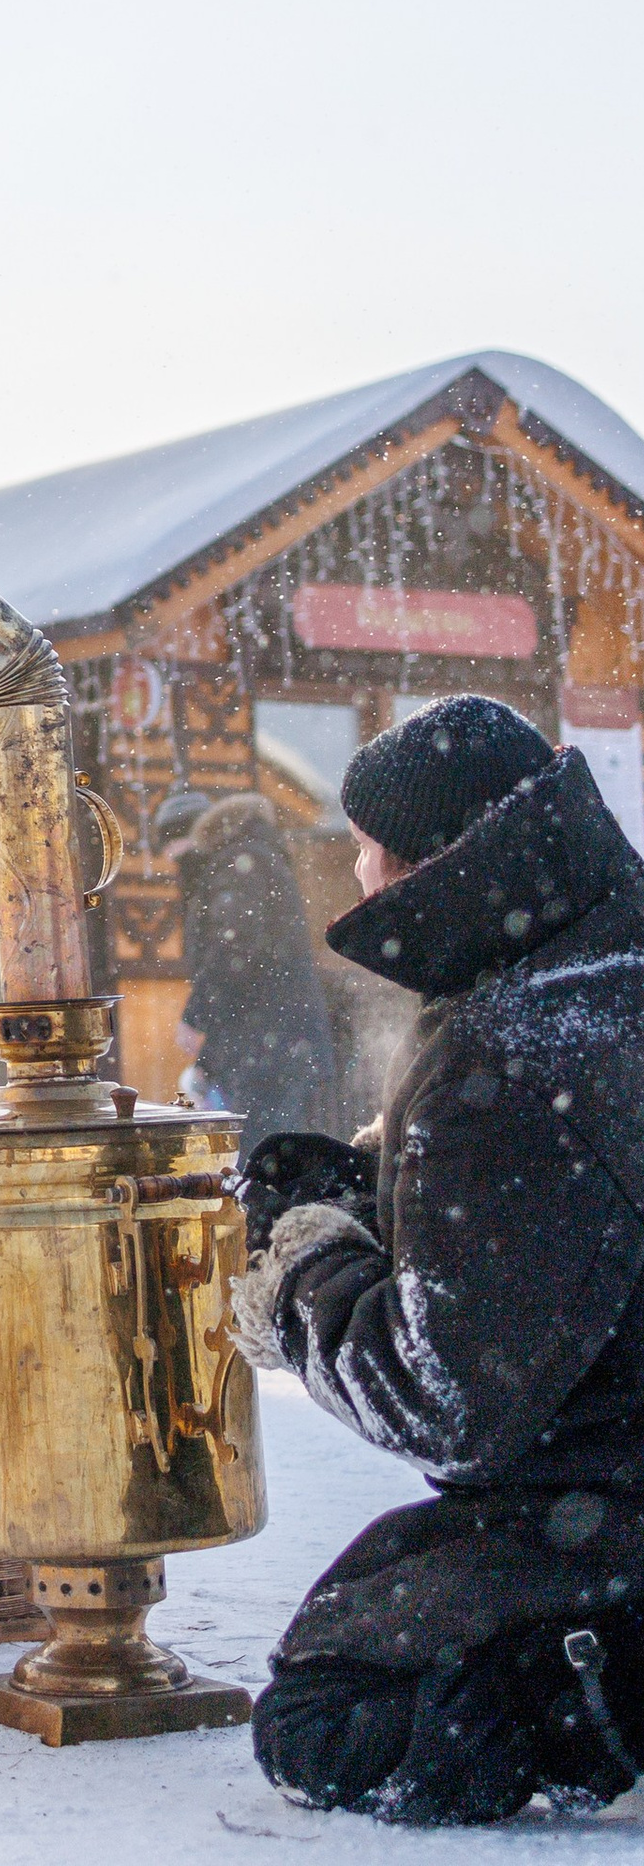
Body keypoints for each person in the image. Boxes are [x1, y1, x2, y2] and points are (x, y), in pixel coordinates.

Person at [233, 693, 644, 1825]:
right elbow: (578, 1222)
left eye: (362, 853)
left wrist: (308, 1272)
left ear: (420, 868)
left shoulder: (502, 1061)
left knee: (326, 1724)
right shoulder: (601, 958)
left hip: (603, 1500)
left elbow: (447, 1396)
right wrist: (372, 1191)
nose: (354, 881)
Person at [164, 788, 338, 1144]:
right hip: (274, 1044)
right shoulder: (252, 858)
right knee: (278, 1147)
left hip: (265, 1049)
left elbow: (236, 952)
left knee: (265, 1151)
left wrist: (195, 1017)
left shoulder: (239, 865)